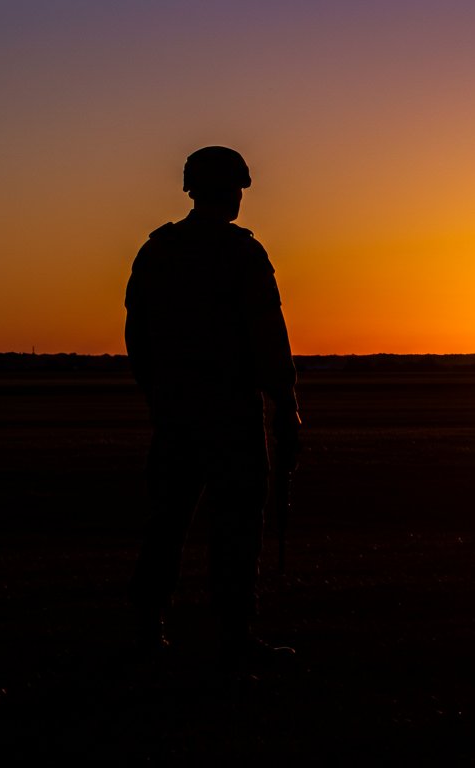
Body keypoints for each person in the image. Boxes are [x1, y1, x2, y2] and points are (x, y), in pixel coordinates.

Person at [124, 146, 300, 661]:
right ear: (233, 192)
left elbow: (138, 336)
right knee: (237, 519)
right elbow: (267, 334)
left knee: (167, 517)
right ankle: (235, 635)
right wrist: (285, 403)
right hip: (228, 406)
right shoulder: (241, 252)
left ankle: (148, 629)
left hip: (173, 405)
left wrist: (160, 392)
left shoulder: (156, 250)